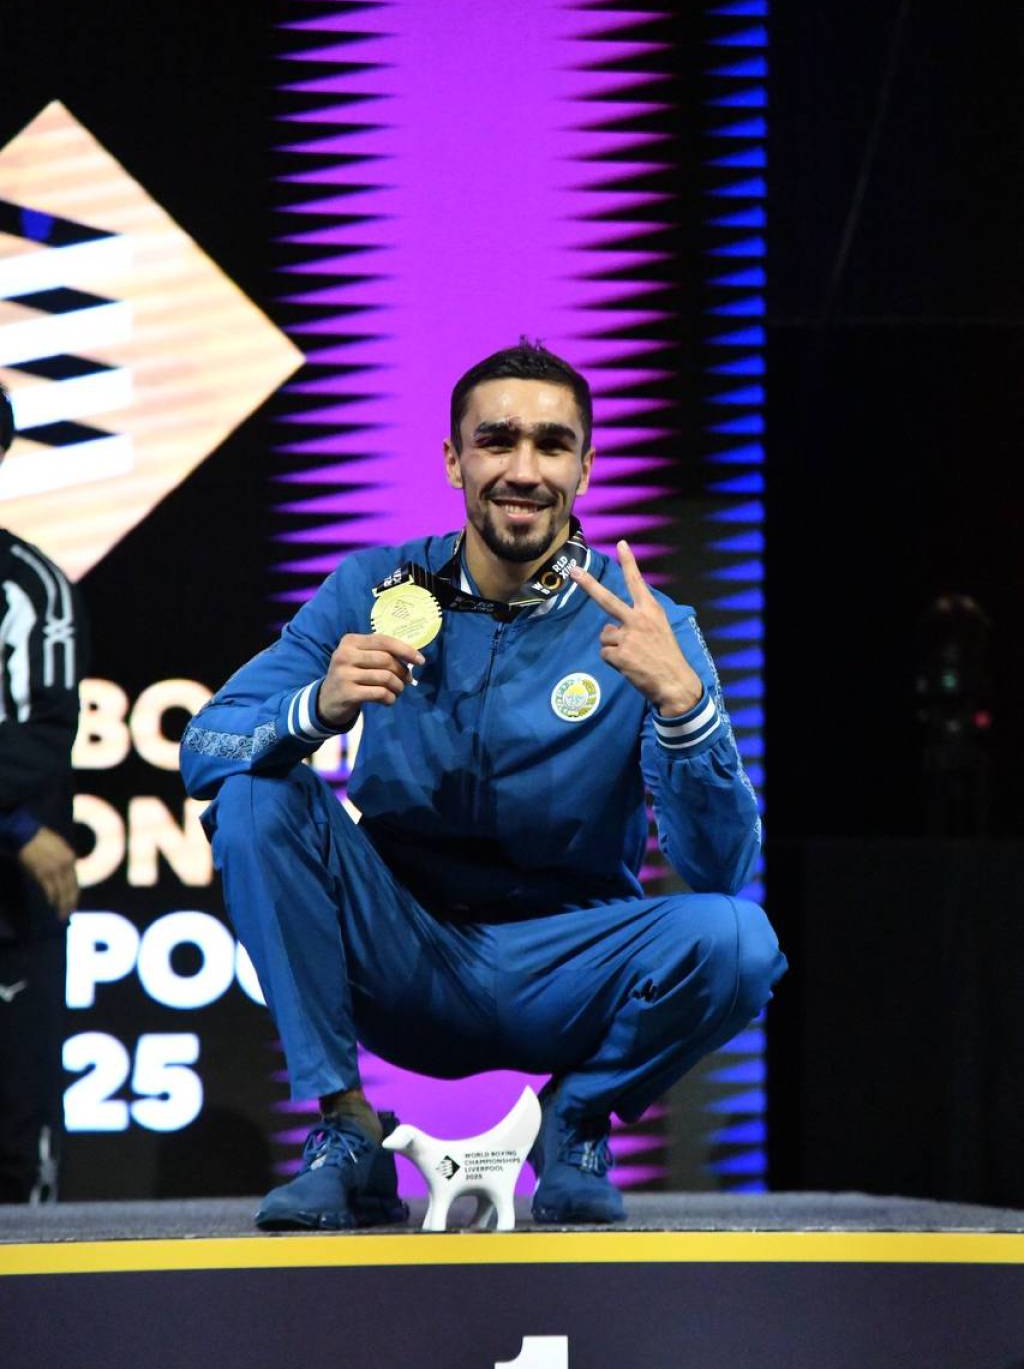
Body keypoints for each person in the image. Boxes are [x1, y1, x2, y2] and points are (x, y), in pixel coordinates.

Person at [181, 340, 786, 1229]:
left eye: (552, 445)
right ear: (453, 459)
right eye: (497, 441)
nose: (524, 470)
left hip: (569, 972)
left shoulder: (649, 626)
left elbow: (720, 869)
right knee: (255, 794)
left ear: (585, 467)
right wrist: (315, 708)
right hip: (404, 956)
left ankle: (572, 1122)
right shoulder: (374, 586)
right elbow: (206, 747)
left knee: (740, 940)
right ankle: (346, 1130)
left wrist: (684, 708)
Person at [0, 383, 86, 1202]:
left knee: (15, 1144)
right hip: (15, 846)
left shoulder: (29, 589)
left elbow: (39, 742)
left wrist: (17, 827)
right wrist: (15, 826)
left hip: (9, 911)